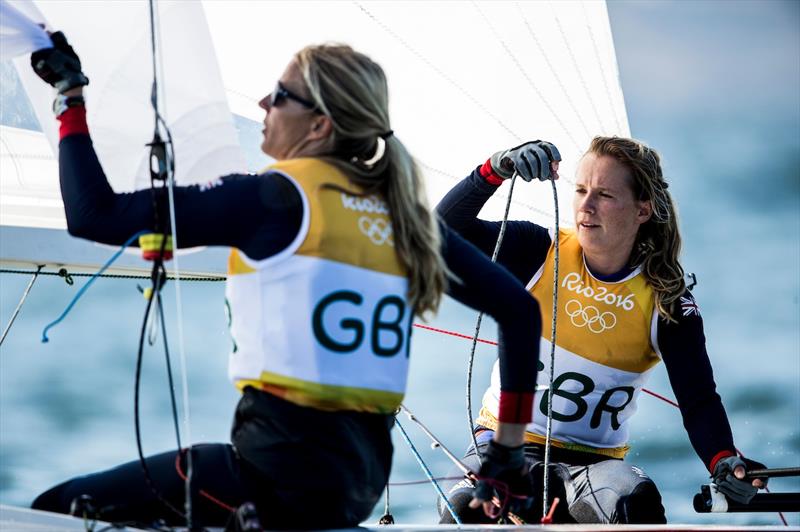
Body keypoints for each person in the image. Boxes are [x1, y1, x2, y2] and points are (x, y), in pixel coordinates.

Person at [28, 34, 542, 528]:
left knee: (52, 508)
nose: (262, 102)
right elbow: (519, 310)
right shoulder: (402, 215)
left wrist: (68, 100)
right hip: (355, 492)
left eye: (279, 95)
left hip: (268, 482)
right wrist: (507, 454)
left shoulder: (274, 199)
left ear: (318, 126)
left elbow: (95, 214)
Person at [436, 139, 768, 524]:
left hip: (593, 466)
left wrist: (723, 460)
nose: (586, 206)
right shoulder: (536, 251)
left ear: (642, 209)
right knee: (465, 510)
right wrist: (495, 169)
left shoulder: (667, 302)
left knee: (635, 501)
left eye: (604, 194)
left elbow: (699, 401)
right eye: (580, 190)